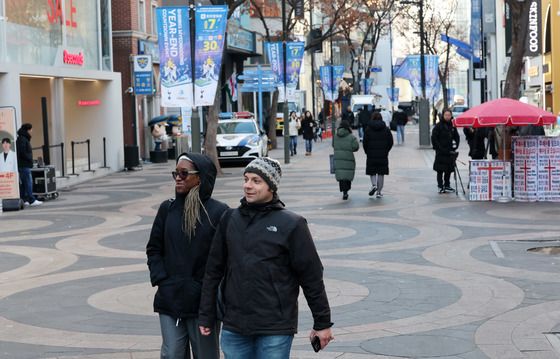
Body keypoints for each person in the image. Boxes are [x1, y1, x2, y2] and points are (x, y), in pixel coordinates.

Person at [198, 157, 334, 358]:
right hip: (234, 325)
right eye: (246, 179)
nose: (248, 186)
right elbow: (213, 270)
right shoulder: (229, 219)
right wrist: (206, 314)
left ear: (271, 186)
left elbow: (311, 276)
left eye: (256, 180)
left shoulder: (292, 224)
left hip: (275, 327)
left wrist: (322, 323)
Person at [146, 153, 229, 359]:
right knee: (172, 353)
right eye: (176, 173)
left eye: (184, 173)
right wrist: (162, 280)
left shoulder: (219, 212)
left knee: (205, 355)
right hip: (170, 298)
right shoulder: (168, 209)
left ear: (200, 177)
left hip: (203, 303)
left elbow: (226, 258)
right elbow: (154, 248)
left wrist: (210, 291)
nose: (178, 178)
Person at [363, 112, 394, 198]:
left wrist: (367, 151)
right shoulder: (386, 129)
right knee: (381, 173)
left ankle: (374, 185)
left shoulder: (368, 129)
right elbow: (391, 142)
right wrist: (386, 150)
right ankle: (379, 192)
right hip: (383, 155)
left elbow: (365, 142)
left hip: (371, 154)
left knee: (372, 171)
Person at [431, 109, 460, 193]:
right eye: (446, 115)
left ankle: (447, 185)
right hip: (440, 152)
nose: (447, 117)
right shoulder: (438, 126)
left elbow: (456, 137)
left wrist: (455, 146)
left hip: (450, 152)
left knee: (448, 169)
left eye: (449, 115)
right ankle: (440, 185)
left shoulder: (453, 126)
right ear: (443, 115)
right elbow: (434, 138)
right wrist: (439, 148)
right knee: (440, 170)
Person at [333, 120, 359, 200]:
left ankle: (344, 192)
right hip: (348, 157)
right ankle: (346, 191)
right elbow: (356, 147)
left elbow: (333, 145)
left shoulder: (336, 136)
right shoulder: (351, 137)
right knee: (347, 175)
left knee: (341, 175)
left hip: (338, 158)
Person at [16, 123, 42, 206]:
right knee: (28, 182)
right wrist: (29, 158)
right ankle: (31, 200)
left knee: (23, 184)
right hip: (24, 165)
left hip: (23, 165)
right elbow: (23, 152)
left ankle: (24, 200)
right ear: (28, 130)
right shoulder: (23, 139)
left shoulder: (22, 138)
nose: (32, 131)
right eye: (31, 129)